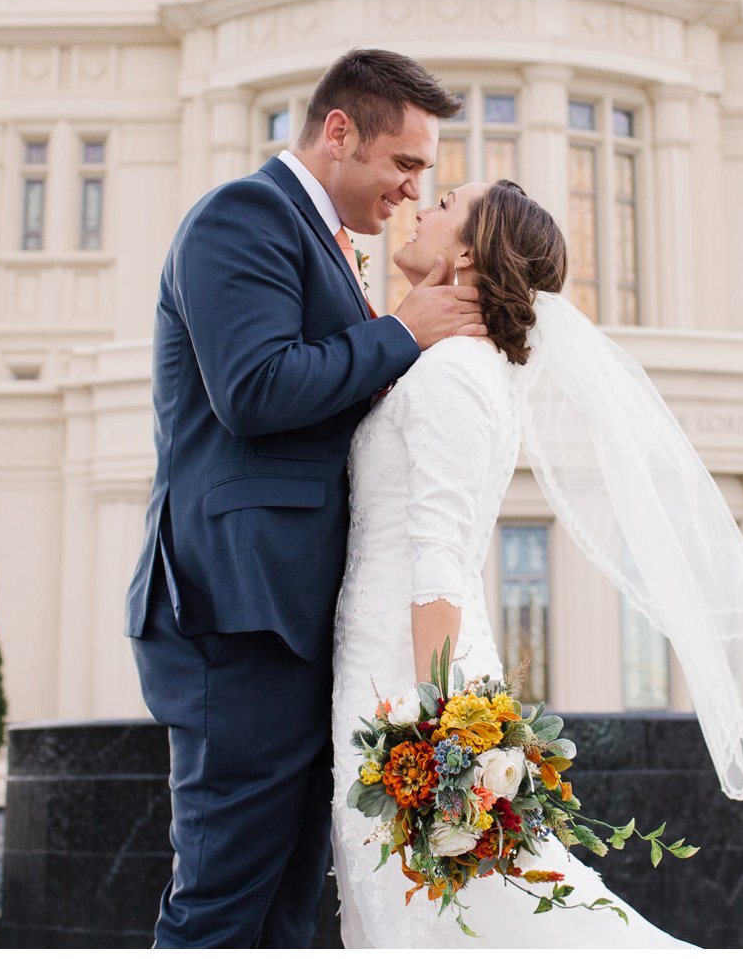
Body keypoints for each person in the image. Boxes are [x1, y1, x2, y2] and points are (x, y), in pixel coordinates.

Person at [329, 179, 743, 947]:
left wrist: (439, 742)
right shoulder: (442, 363)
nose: (421, 208)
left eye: (444, 203)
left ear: (470, 255)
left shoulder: (455, 375)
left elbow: (440, 562)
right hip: (383, 672)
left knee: (458, 917)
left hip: (410, 686)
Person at [124, 48, 484, 947]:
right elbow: (253, 387)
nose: (410, 189)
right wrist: (400, 333)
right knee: (221, 902)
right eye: (404, 163)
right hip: (239, 615)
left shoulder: (332, 246)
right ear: (338, 132)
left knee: (283, 907)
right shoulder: (244, 216)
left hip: (295, 623)